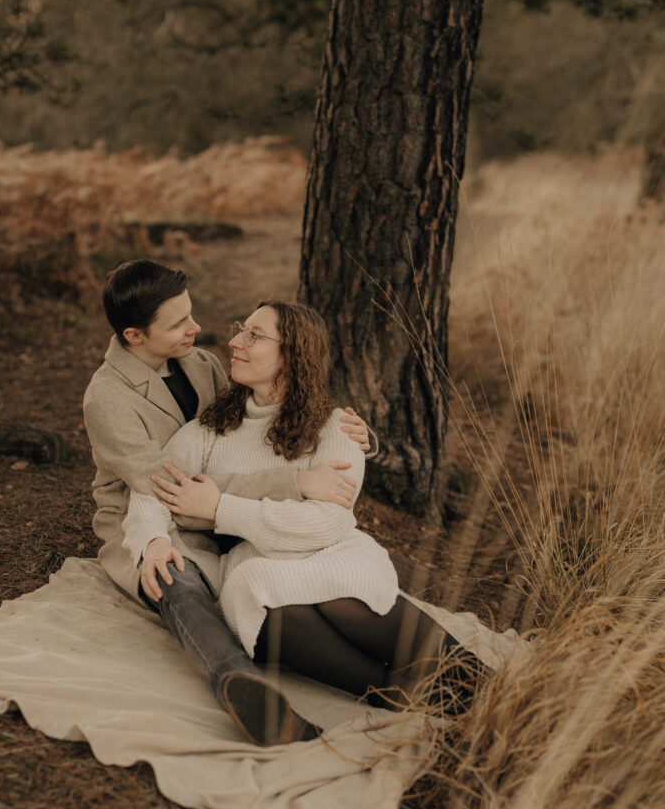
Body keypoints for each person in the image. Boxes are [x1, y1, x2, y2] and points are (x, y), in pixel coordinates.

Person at [123, 300, 462, 733]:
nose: (234, 342)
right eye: (240, 329)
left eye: (254, 335)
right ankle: (436, 699)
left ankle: (482, 687)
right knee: (256, 590)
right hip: (257, 574)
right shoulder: (208, 430)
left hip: (332, 556)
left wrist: (220, 509)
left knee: (342, 592)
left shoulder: (336, 428)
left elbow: (328, 524)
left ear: (293, 354)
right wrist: (153, 539)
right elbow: (154, 488)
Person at [83, 261, 374, 744]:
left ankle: (381, 662)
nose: (196, 329)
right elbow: (171, 486)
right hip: (151, 517)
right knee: (176, 583)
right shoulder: (107, 399)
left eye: (190, 314)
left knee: (310, 566)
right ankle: (242, 686)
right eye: (178, 324)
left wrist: (352, 434)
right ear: (134, 335)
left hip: (216, 512)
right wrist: (294, 482)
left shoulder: (201, 363)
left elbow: (251, 424)